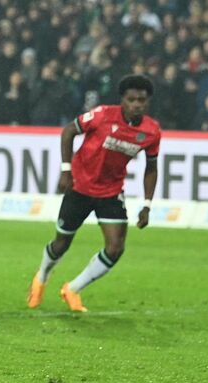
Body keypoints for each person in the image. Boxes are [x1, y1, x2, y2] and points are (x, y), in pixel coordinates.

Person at [26, 74, 160, 312]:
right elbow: (68, 131)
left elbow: (151, 167)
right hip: (79, 187)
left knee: (115, 247)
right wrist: (66, 170)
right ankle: (42, 277)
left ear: (148, 101)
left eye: (142, 100)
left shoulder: (151, 131)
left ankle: (73, 289)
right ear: (123, 100)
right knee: (61, 244)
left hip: (110, 192)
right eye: (132, 99)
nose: (137, 104)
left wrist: (147, 204)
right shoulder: (102, 115)